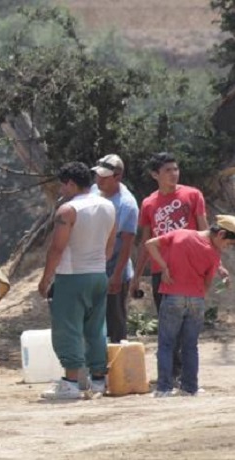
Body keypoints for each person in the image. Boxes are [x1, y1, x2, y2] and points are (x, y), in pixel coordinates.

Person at [129, 152, 224, 381]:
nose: (173, 174)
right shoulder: (149, 203)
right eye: (167, 170)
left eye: (175, 169)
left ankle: (185, 374)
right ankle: (173, 372)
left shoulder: (192, 195)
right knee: (167, 322)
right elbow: (146, 241)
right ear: (155, 174)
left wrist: (216, 263)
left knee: (188, 322)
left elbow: (206, 231)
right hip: (162, 270)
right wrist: (137, 276)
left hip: (191, 268)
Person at [37, 162, 116, 399]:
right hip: (99, 273)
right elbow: (111, 245)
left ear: (71, 183)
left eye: (63, 185)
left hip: (72, 275)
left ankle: (70, 382)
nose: (61, 190)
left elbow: (57, 248)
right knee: (96, 328)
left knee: (67, 328)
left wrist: (45, 279)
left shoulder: (68, 211)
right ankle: (99, 379)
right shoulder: (108, 205)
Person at [145, 215, 235, 397]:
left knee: (166, 344)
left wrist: (164, 267)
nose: (227, 248)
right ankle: (190, 387)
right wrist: (202, 294)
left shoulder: (181, 234)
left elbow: (150, 244)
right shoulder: (212, 253)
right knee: (190, 346)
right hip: (196, 299)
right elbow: (207, 283)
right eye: (229, 244)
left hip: (172, 297)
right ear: (221, 234)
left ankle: (164, 388)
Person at [90, 154, 139, 343]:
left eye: (104, 177)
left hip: (113, 270)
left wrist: (117, 276)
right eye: (97, 175)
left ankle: (117, 363)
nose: (98, 180)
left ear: (117, 177)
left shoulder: (127, 205)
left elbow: (127, 244)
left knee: (114, 320)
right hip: (93, 268)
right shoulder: (95, 190)